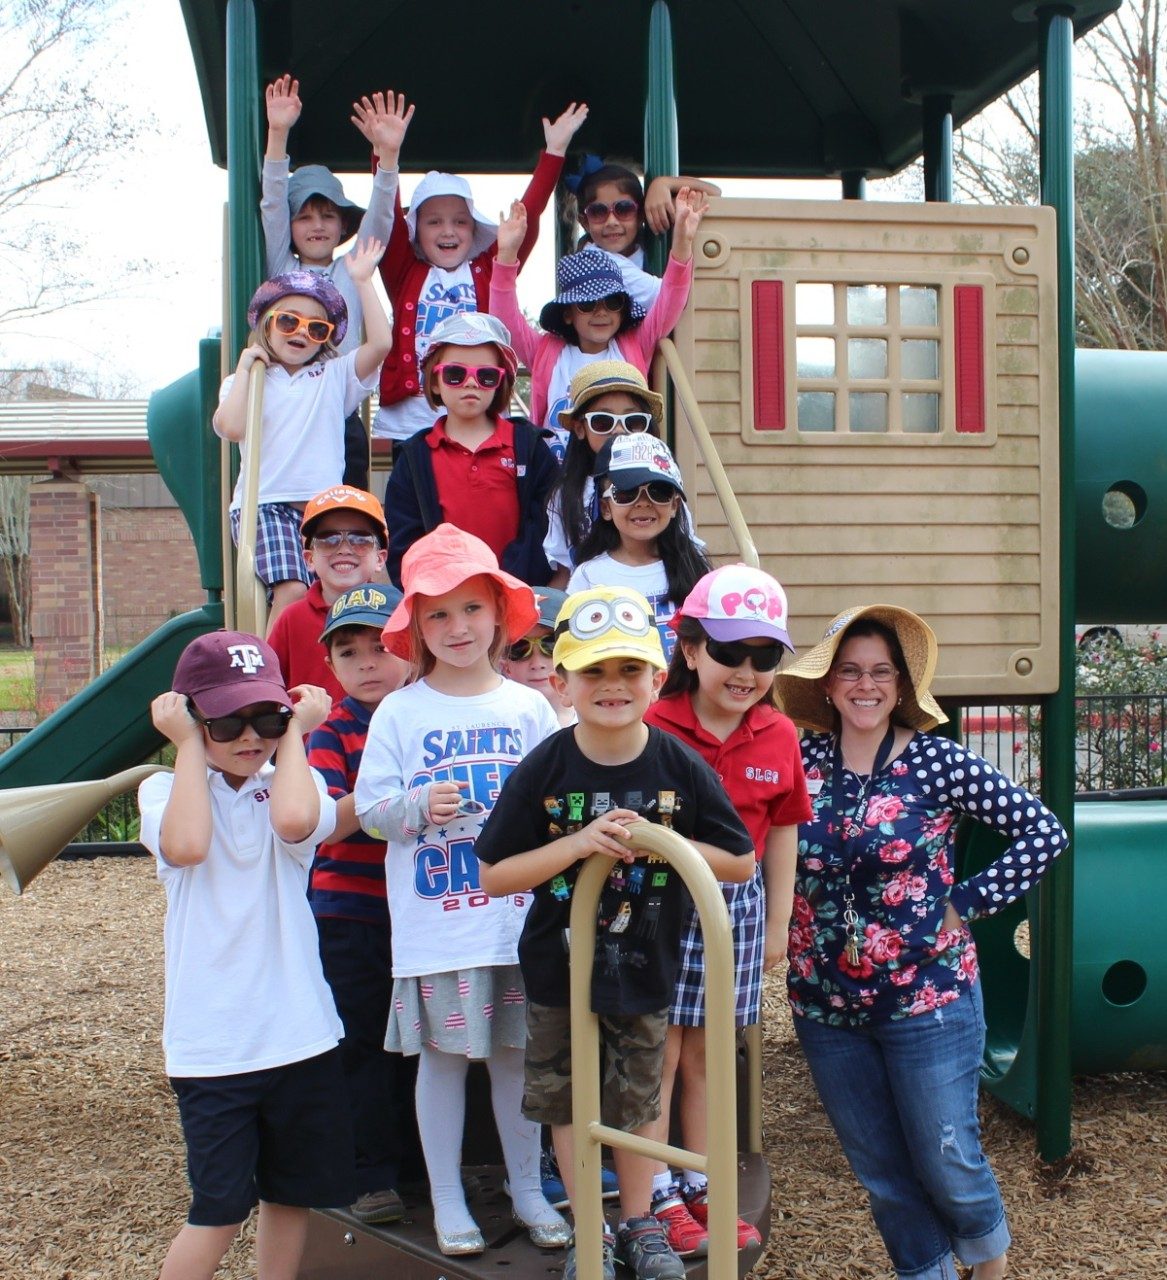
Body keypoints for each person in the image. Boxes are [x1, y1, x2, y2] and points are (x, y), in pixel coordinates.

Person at [772, 604, 1070, 1280]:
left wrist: (964, 904)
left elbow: (1042, 832)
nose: (865, 685)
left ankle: (987, 1269)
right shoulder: (796, 759)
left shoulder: (935, 762)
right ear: (825, 684)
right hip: (824, 1003)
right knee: (881, 1172)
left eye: (881, 671)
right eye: (848, 671)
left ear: (901, 686)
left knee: (947, 1157)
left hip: (925, 997)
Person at [476, 585, 755, 1280]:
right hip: (559, 969)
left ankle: (639, 1223)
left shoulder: (674, 764)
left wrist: (660, 842)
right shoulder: (546, 765)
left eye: (629, 669)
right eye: (593, 671)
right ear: (561, 682)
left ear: (657, 679)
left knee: (635, 1101)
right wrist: (575, 846)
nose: (612, 685)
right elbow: (495, 874)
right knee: (569, 1102)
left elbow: (739, 859)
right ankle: (588, 1231)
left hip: (644, 964)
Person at [353, 524, 569, 1257]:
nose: (456, 627)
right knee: (442, 1061)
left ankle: (529, 1188)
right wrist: (416, 806)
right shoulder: (400, 712)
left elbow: (556, 805)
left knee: (517, 1060)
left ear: (499, 614)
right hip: (437, 927)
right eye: (436, 613)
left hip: (517, 927)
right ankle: (447, 1200)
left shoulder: (528, 709)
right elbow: (370, 813)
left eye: (471, 608)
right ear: (414, 623)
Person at [138, 631, 351, 1280]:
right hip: (215, 1047)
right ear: (192, 717)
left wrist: (295, 737)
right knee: (219, 1208)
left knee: (291, 1194)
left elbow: (292, 822)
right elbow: (190, 844)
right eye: (227, 720)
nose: (248, 735)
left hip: (298, 1034)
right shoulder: (162, 791)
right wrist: (185, 748)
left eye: (266, 716)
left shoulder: (292, 781)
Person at [642, 565, 811, 1256]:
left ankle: (702, 1184)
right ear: (688, 650)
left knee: (710, 1057)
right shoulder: (653, 724)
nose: (745, 671)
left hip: (734, 907)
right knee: (655, 1051)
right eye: (728, 652)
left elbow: (786, 825)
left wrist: (778, 918)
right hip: (655, 901)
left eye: (763, 656)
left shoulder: (777, 733)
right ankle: (654, 1194)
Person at [373, 100, 589, 444]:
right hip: (411, 422)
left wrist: (554, 153)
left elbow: (525, 220)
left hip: (478, 415)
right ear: (416, 231)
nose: (448, 231)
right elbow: (386, 219)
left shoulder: (489, 269)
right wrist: (386, 156)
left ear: (474, 231)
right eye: (434, 222)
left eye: (460, 221)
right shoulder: (405, 271)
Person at [305, 583, 417, 1227]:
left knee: (421, 1046)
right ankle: (370, 1175)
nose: (367, 662)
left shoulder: (425, 715)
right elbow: (328, 821)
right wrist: (388, 791)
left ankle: (417, 1167)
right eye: (349, 652)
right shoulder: (335, 731)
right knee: (362, 1045)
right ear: (331, 665)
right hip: (350, 912)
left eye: (380, 646)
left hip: (420, 910)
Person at [213, 240, 390, 634]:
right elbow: (231, 427)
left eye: (315, 327)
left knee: (344, 591)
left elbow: (380, 344)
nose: (301, 333)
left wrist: (363, 282)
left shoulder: (332, 376)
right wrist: (245, 368)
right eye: (288, 322)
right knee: (293, 589)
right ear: (267, 325)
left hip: (321, 510)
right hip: (266, 503)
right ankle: (270, 673)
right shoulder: (251, 380)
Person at [261, 78, 411, 488]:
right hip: (289, 410)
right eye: (305, 216)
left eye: (328, 216)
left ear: (344, 224)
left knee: (348, 512)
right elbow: (272, 203)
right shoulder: (282, 270)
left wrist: (389, 158)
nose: (317, 226)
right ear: (290, 226)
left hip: (339, 413)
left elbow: (381, 218)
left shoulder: (351, 268)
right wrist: (278, 133)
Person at [489, 188, 706, 457]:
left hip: (618, 476)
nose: (601, 312)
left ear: (623, 309)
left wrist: (682, 243)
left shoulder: (633, 345)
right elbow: (505, 321)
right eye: (588, 304)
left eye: (612, 303)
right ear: (568, 313)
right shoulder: (548, 352)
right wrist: (507, 255)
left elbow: (670, 300)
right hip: (559, 479)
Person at [383, 312, 558, 589]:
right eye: (455, 373)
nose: (471, 382)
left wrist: (508, 582)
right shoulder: (415, 457)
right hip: (445, 600)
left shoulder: (529, 446)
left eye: (486, 375)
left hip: (520, 595)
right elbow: (405, 540)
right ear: (433, 382)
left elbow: (547, 527)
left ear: (501, 382)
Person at [565, 434, 710, 660]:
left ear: (674, 505)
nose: (643, 502)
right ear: (605, 508)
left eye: (659, 491)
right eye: (626, 492)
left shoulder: (697, 572)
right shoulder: (589, 577)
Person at [544, 360, 688, 586]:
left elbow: (685, 550)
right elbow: (564, 573)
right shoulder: (565, 494)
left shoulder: (665, 486)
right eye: (602, 421)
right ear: (580, 428)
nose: (619, 429)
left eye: (634, 421)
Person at [266, 485, 402, 703]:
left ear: (380, 558)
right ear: (309, 559)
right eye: (328, 540)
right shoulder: (291, 620)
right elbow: (269, 688)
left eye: (360, 539)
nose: (344, 549)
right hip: (309, 736)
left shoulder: (397, 614)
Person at [565, 159, 722, 309]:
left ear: (641, 214)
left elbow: (715, 192)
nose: (611, 221)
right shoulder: (595, 259)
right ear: (584, 222)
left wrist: (662, 184)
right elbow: (672, 296)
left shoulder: (645, 242)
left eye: (624, 209)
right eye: (598, 212)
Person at [499, 586, 575, 727]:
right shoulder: (492, 725)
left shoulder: (598, 718)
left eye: (551, 644)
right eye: (520, 648)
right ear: (503, 661)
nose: (537, 663)